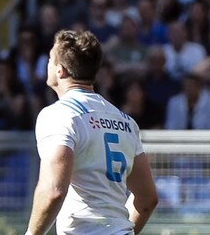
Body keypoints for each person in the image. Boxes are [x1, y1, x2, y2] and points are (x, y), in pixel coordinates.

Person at [26, 30, 159, 235]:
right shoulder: (125, 120)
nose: (47, 64)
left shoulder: (59, 115)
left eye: (50, 59)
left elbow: (53, 190)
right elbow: (147, 199)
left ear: (60, 70)